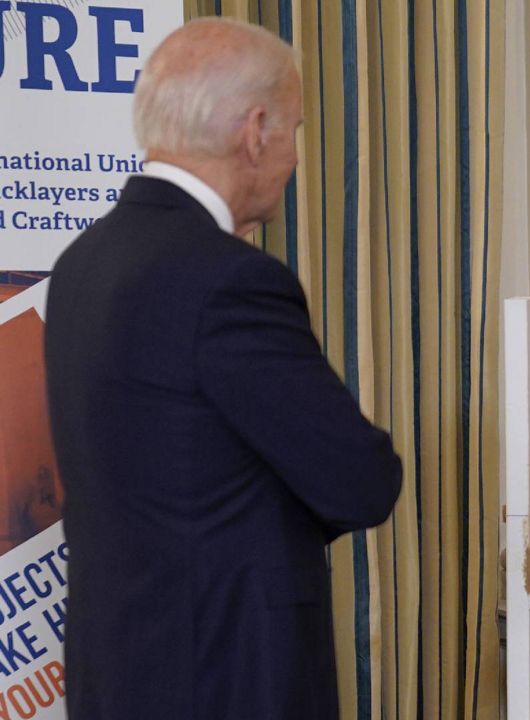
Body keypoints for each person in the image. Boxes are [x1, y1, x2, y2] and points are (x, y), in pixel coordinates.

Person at [43, 18, 403, 720]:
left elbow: (169, 469)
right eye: (295, 129)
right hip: (229, 679)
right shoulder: (228, 280)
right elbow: (360, 482)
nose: (297, 156)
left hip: (114, 678)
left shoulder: (80, 263)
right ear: (256, 129)